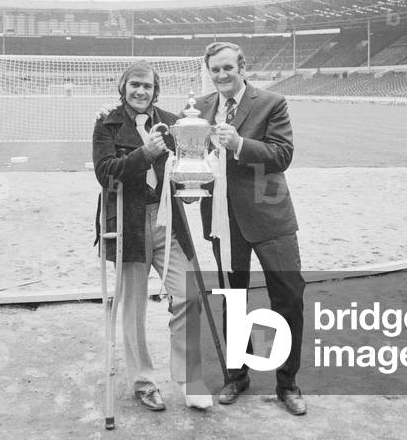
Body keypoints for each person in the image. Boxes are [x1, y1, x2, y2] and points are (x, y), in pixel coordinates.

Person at [194, 41, 307, 416]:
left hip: (270, 217)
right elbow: (189, 155)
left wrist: (241, 144)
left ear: (242, 67)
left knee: (288, 297)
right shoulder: (200, 107)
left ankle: (287, 383)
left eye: (228, 68)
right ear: (209, 72)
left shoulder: (272, 102)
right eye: (216, 70)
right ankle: (237, 374)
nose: (222, 75)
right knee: (234, 300)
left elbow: (282, 155)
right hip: (222, 220)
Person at [92, 61, 212, 412]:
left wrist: (190, 188)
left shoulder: (174, 122)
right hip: (128, 220)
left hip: (166, 219)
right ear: (124, 86)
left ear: (155, 89)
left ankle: (190, 379)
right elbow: (105, 174)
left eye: (147, 85)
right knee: (133, 307)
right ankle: (143, 382)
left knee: (189, 293)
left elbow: (185, 165)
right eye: (134, 85)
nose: (140, 91)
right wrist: (144, 154)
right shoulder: (107, 123)